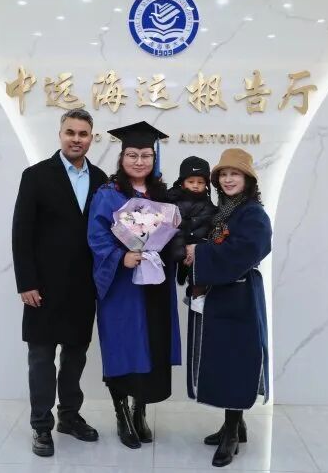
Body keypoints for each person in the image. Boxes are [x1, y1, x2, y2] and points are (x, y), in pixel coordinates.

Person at [12, 108, 108, 457]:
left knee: (75, 356)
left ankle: (69, 416)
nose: (76, 139)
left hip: (84, 286)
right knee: (41, 357)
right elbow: (21, 232)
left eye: (83, 134)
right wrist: (26, 282)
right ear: (60, 135)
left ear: (91, 138)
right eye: (71, 132)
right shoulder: (36, 176)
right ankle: (41, 424)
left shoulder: (101, 179)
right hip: (43, 287)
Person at [87, 121, 181, 449]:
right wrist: (120, 256)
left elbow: (174, 233)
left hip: (155, 286)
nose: (139, 161)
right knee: (123, 346)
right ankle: (121, 413)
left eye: (145, 155)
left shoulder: (163, 195)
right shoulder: (108, 194)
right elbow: (96, 236)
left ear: (154, 158)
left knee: (151, 345)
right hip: (123, 286)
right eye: (132, 155)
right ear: (122, 157)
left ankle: (139, 411)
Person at [184, 148, 272, 468]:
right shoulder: (223, 211)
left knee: (236, 362)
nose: (228, 179)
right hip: (220, 297)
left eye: (235, 174)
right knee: (224, 360)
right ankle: (235, 425)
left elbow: (246, 251)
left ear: (248, 180)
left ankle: (232, 434)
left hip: (240, 297)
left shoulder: (253, 214)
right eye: (223, 174)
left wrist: (199, 253)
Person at [167, 156, 217, 309]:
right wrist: (182, 252)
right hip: (177, 250)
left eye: (200, 182)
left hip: (197, 250)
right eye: (191, 181)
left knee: (200, 272)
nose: (196, 185)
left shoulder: (208, 205)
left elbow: (209, 227)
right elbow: (175, 228)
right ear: (182, 183)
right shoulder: (173, 200)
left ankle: (195, 295)